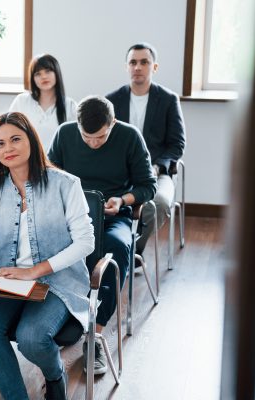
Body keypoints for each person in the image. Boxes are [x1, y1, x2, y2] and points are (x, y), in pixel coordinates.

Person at [0, 112, 94, 400]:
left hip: (56, 282)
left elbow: (86, 242)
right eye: (0, 144)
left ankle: (55, 375)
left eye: (15, 139)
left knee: (32, 338)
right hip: (7, 281)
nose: (7, 149)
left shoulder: (66, 184)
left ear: (32, 141)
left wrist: (35, 270)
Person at [48, 95, 156, 375]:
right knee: (46, 246)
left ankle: (93, 337)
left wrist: (122, 200)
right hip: (70, 216)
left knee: (116, 249)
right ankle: (58, 320)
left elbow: (147, 186)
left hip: (112, 216)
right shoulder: (64, 134)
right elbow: (48, 175)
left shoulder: (130, 137)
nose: (93, 143)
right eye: (87, 137)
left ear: (113, 123)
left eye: (100, 137)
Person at [106, 43, 185, 256]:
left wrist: (158, 168)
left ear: (154, 67)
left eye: (144, 62)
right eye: (133, 62)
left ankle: (134, 250)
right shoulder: (111, 100)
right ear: (126, 67)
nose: (138, 67)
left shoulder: (168, 100)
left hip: (157, 172)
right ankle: (114, 246)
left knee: (159, 203)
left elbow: (177, 144)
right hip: (120, 172)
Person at [9, 54, 77, 151]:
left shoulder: (70, 105)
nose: (43, 76)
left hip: (57, 163)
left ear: (56, 73)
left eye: (48, 71)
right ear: (33, 78)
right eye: (38, 74)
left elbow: (73, 141)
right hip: (27, 159)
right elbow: (9, 132)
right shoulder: (21, 101)